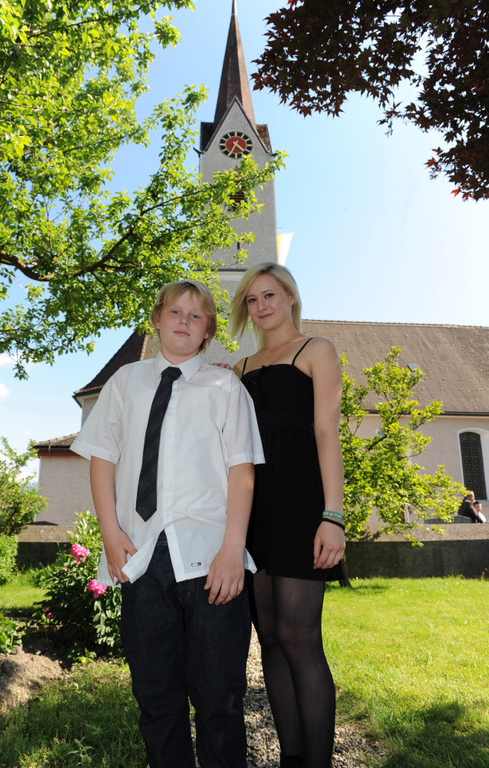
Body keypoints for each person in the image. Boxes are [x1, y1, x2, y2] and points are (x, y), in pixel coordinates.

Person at [71, 280, 264, 768]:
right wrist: (110, 533)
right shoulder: (126, 381)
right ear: (157, 319)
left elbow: (241, 471)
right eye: (175, 312)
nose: (184, 321)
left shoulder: (226, 388)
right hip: (140, 553)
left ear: (208, 332)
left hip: (212, 555)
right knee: (157, 696)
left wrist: (232, 550)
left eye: (196, 316)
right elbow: (102, 457)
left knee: (220, 697)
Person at [230, 262, 346, 768]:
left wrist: (333, 516)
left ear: (291, 297)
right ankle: (291, 759)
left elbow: (327, 434)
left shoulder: (315, 350)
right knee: (272, 641)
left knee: (300, 640)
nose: (261, 306)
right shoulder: (241, 368)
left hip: (301, 506)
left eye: (269, 295)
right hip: (253, 510)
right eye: (252, 300)